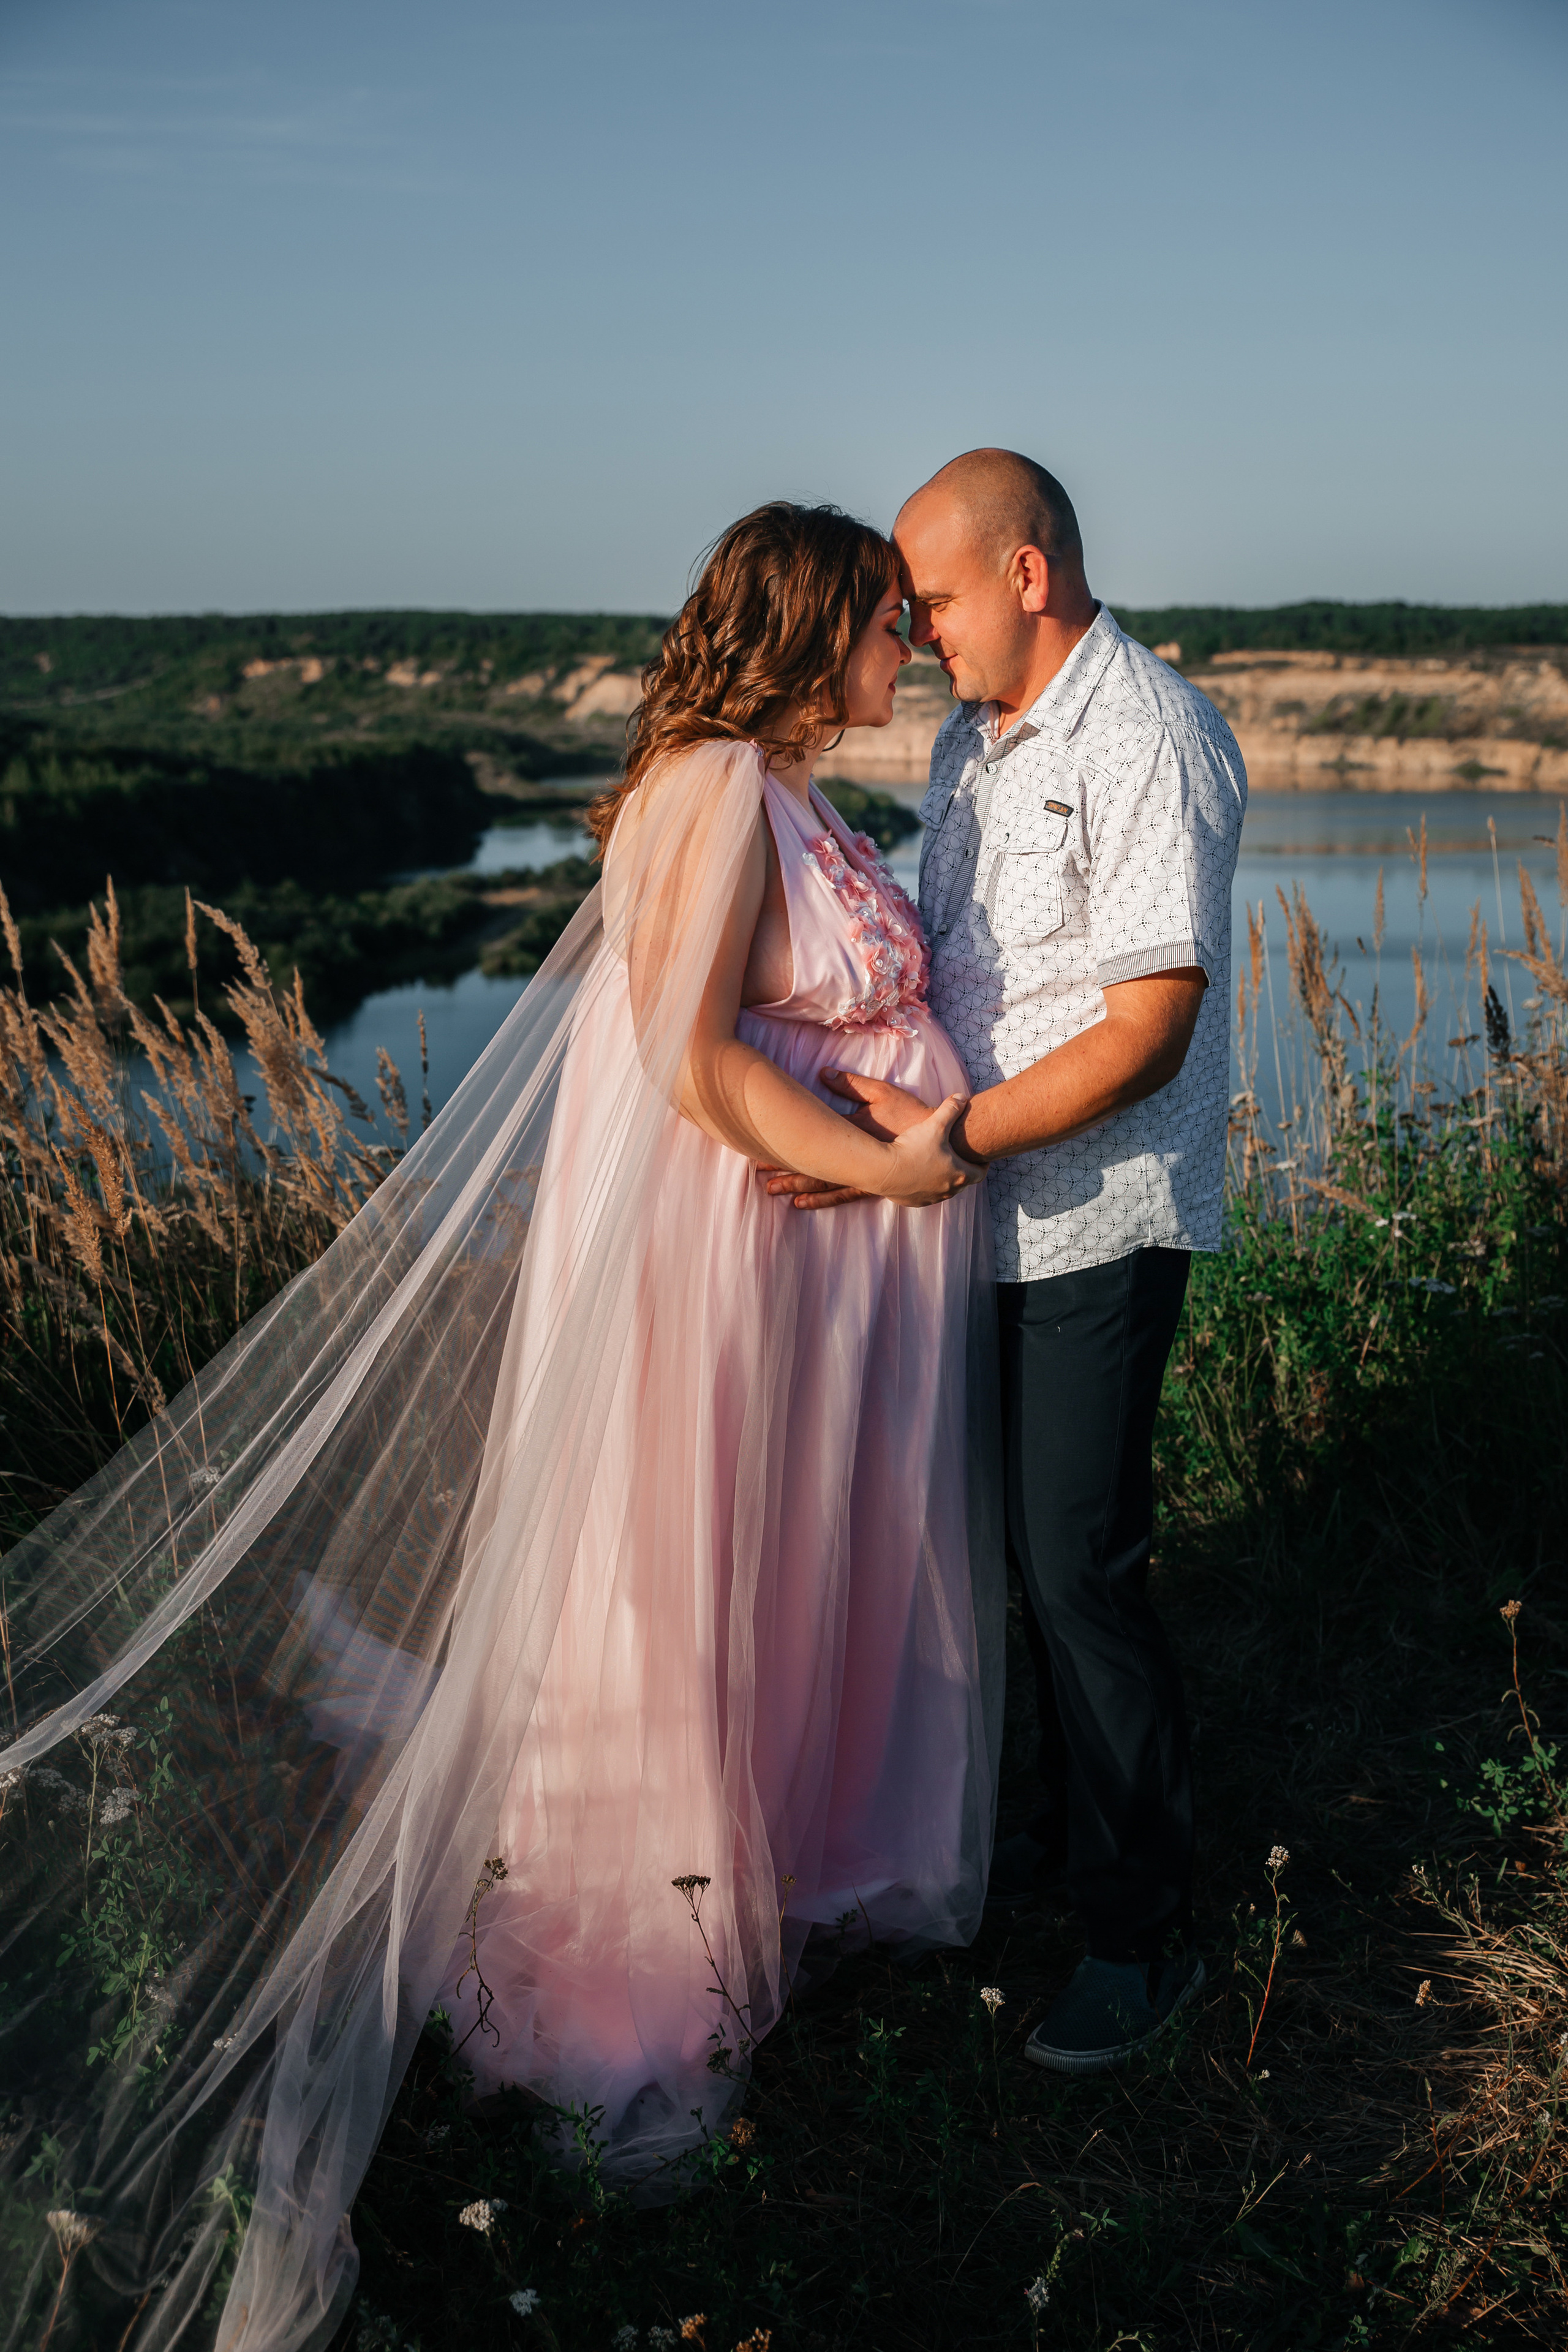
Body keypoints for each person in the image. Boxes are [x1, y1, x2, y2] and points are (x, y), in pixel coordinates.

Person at [0, 502, 1002, 2351]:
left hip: (812, 1289)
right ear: (797, 627)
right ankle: (652, 1946)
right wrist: (901, 1168)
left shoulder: (766, 788)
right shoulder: (711, 788)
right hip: (737, 1284)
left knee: (788, 1577)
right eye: (880, 619)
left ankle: (784, 1856)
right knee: (698, 1590)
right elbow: (698, 1066)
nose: (906, 651)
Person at [769, 449, 1246, 2075]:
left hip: (1093, 1223)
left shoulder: (1151, 736)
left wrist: (945, 1145)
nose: (920, 632)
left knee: (1078, 1571)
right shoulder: (975, 745)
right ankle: (1039, 1846)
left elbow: (1149, 1031)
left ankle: (1139, 1934)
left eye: (940, 599)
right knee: (992, 1567)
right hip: (965, 1224)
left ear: (1029, 576)